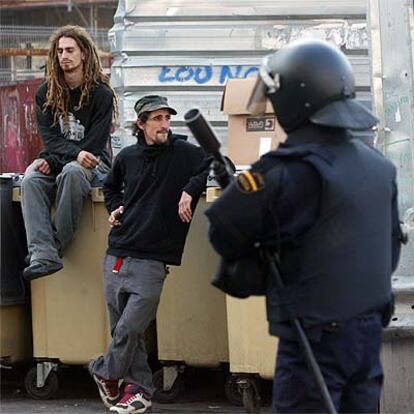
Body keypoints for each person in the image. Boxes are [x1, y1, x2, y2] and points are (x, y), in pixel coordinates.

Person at [205, 39, 403, 413]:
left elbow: (224, 232)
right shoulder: (378, 167)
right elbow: (389, 251)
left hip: (315, 339)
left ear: (294, 100)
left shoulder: (289, 171)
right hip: (367, 333)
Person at [89, 95, 209, 414]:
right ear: (140, 124)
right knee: (127, 333)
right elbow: (110, 186)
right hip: (117, 252)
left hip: (153, 259)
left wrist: (191, 190)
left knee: (130, 327)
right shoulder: (127, 157)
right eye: (156, 119)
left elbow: (211, 162)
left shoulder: (183, 153)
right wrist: (114, 207)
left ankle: (104, 370)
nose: (164, 125)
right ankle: (139, 393)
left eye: (167, 118)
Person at [21, 25, 116, 281]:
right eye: (60, 50)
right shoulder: (46, 93)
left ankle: (55, 248)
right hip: (61, 158)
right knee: (30, 178)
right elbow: (50, 140)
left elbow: (93, 147)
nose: (64, 55)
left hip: (95, 165)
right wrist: (52, 158)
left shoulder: (101, 94)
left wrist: (62, 156)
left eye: (70, 50)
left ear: (84, 53)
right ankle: (42, 253)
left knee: (73, 173)